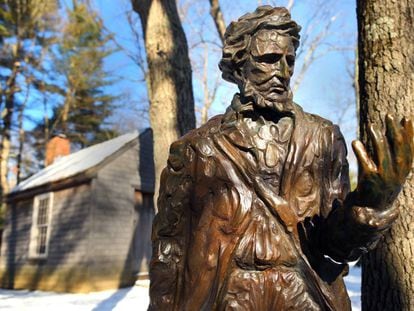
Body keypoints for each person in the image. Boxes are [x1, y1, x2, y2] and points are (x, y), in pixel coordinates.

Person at [148, 6, 413, 311]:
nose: (282, 72)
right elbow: (170, 252)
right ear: (239, 66)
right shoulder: (198, 149)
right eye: (269, 60)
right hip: (228, 296)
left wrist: (368, 207)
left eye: (289, 61)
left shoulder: (322, 139)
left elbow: (335, 247)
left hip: (305, 294)